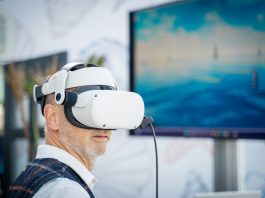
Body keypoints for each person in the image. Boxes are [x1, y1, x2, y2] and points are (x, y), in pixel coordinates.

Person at [8, 62, 144, 198]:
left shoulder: (33, 175)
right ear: (53, 117)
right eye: (90, 111)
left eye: (108, 110)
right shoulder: (65, 191)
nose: (103, 125)